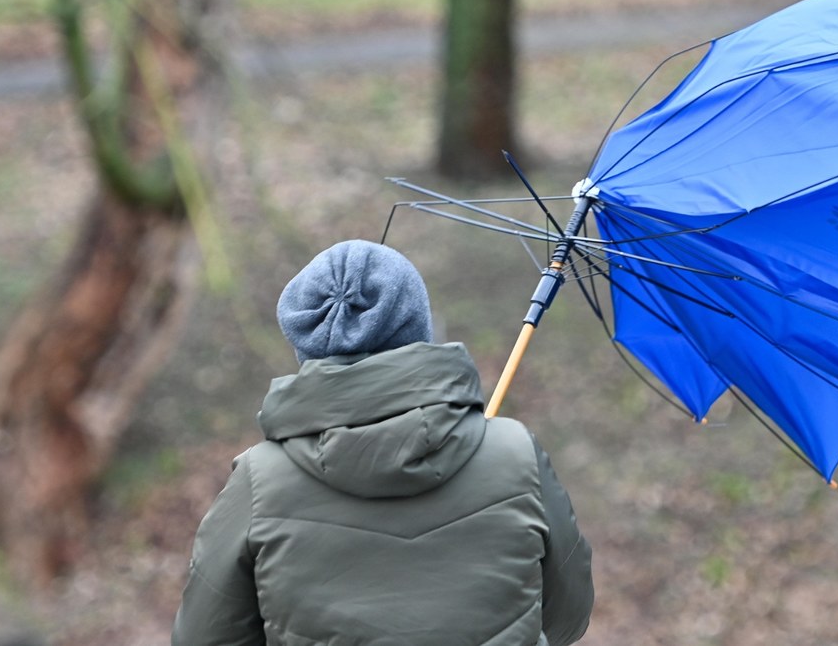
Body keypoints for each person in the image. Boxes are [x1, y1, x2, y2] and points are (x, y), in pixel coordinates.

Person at [172, 240, 593, 645]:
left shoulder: (259, 480)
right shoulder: (514, 452)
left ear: (306, 341)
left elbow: (205, 636)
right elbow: (567, 616)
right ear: (418, 327)